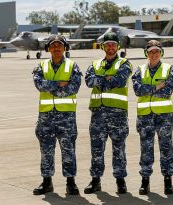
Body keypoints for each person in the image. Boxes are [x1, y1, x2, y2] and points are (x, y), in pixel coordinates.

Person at [83, 32, 132, 194]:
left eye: (113, 44)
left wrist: (100, 79)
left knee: (119, 149)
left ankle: (120, 181)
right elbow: (89, 81)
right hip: (98, 115)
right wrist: (108, 78)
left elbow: (120, 80)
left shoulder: (124, 63)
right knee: (96, 149)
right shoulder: (94, 64)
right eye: (107, 44)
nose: (110, 47)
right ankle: (95, 180)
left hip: (117, 114)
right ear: (103, 47)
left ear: (118, 46)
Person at [32, 34, 81, 195]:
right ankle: (47, 182)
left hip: (66, 117)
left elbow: (73, 88)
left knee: (68, 150)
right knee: (46, 150)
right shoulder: (41, 66)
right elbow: (39, 85)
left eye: (59, 45)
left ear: (65, 47)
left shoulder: (72, 66)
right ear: (48, 49)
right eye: (53, 45)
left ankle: (71, 182)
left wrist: (51, 88)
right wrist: (59, 84)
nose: (56, 48)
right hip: (46, 117)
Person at [131, 40, 173, 195]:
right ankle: (145, 182)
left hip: (164, 116)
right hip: (145, 117)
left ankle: (168, 181)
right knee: (146, 149)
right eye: (151, 52)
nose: (154, 54)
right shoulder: (139, 70)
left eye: (156, 51)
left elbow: (168, 91)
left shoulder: (169, 69)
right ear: (146, 53)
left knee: (166, 148)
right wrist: (157, 86)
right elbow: (138, 90)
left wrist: (149, 89)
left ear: (161, 53)